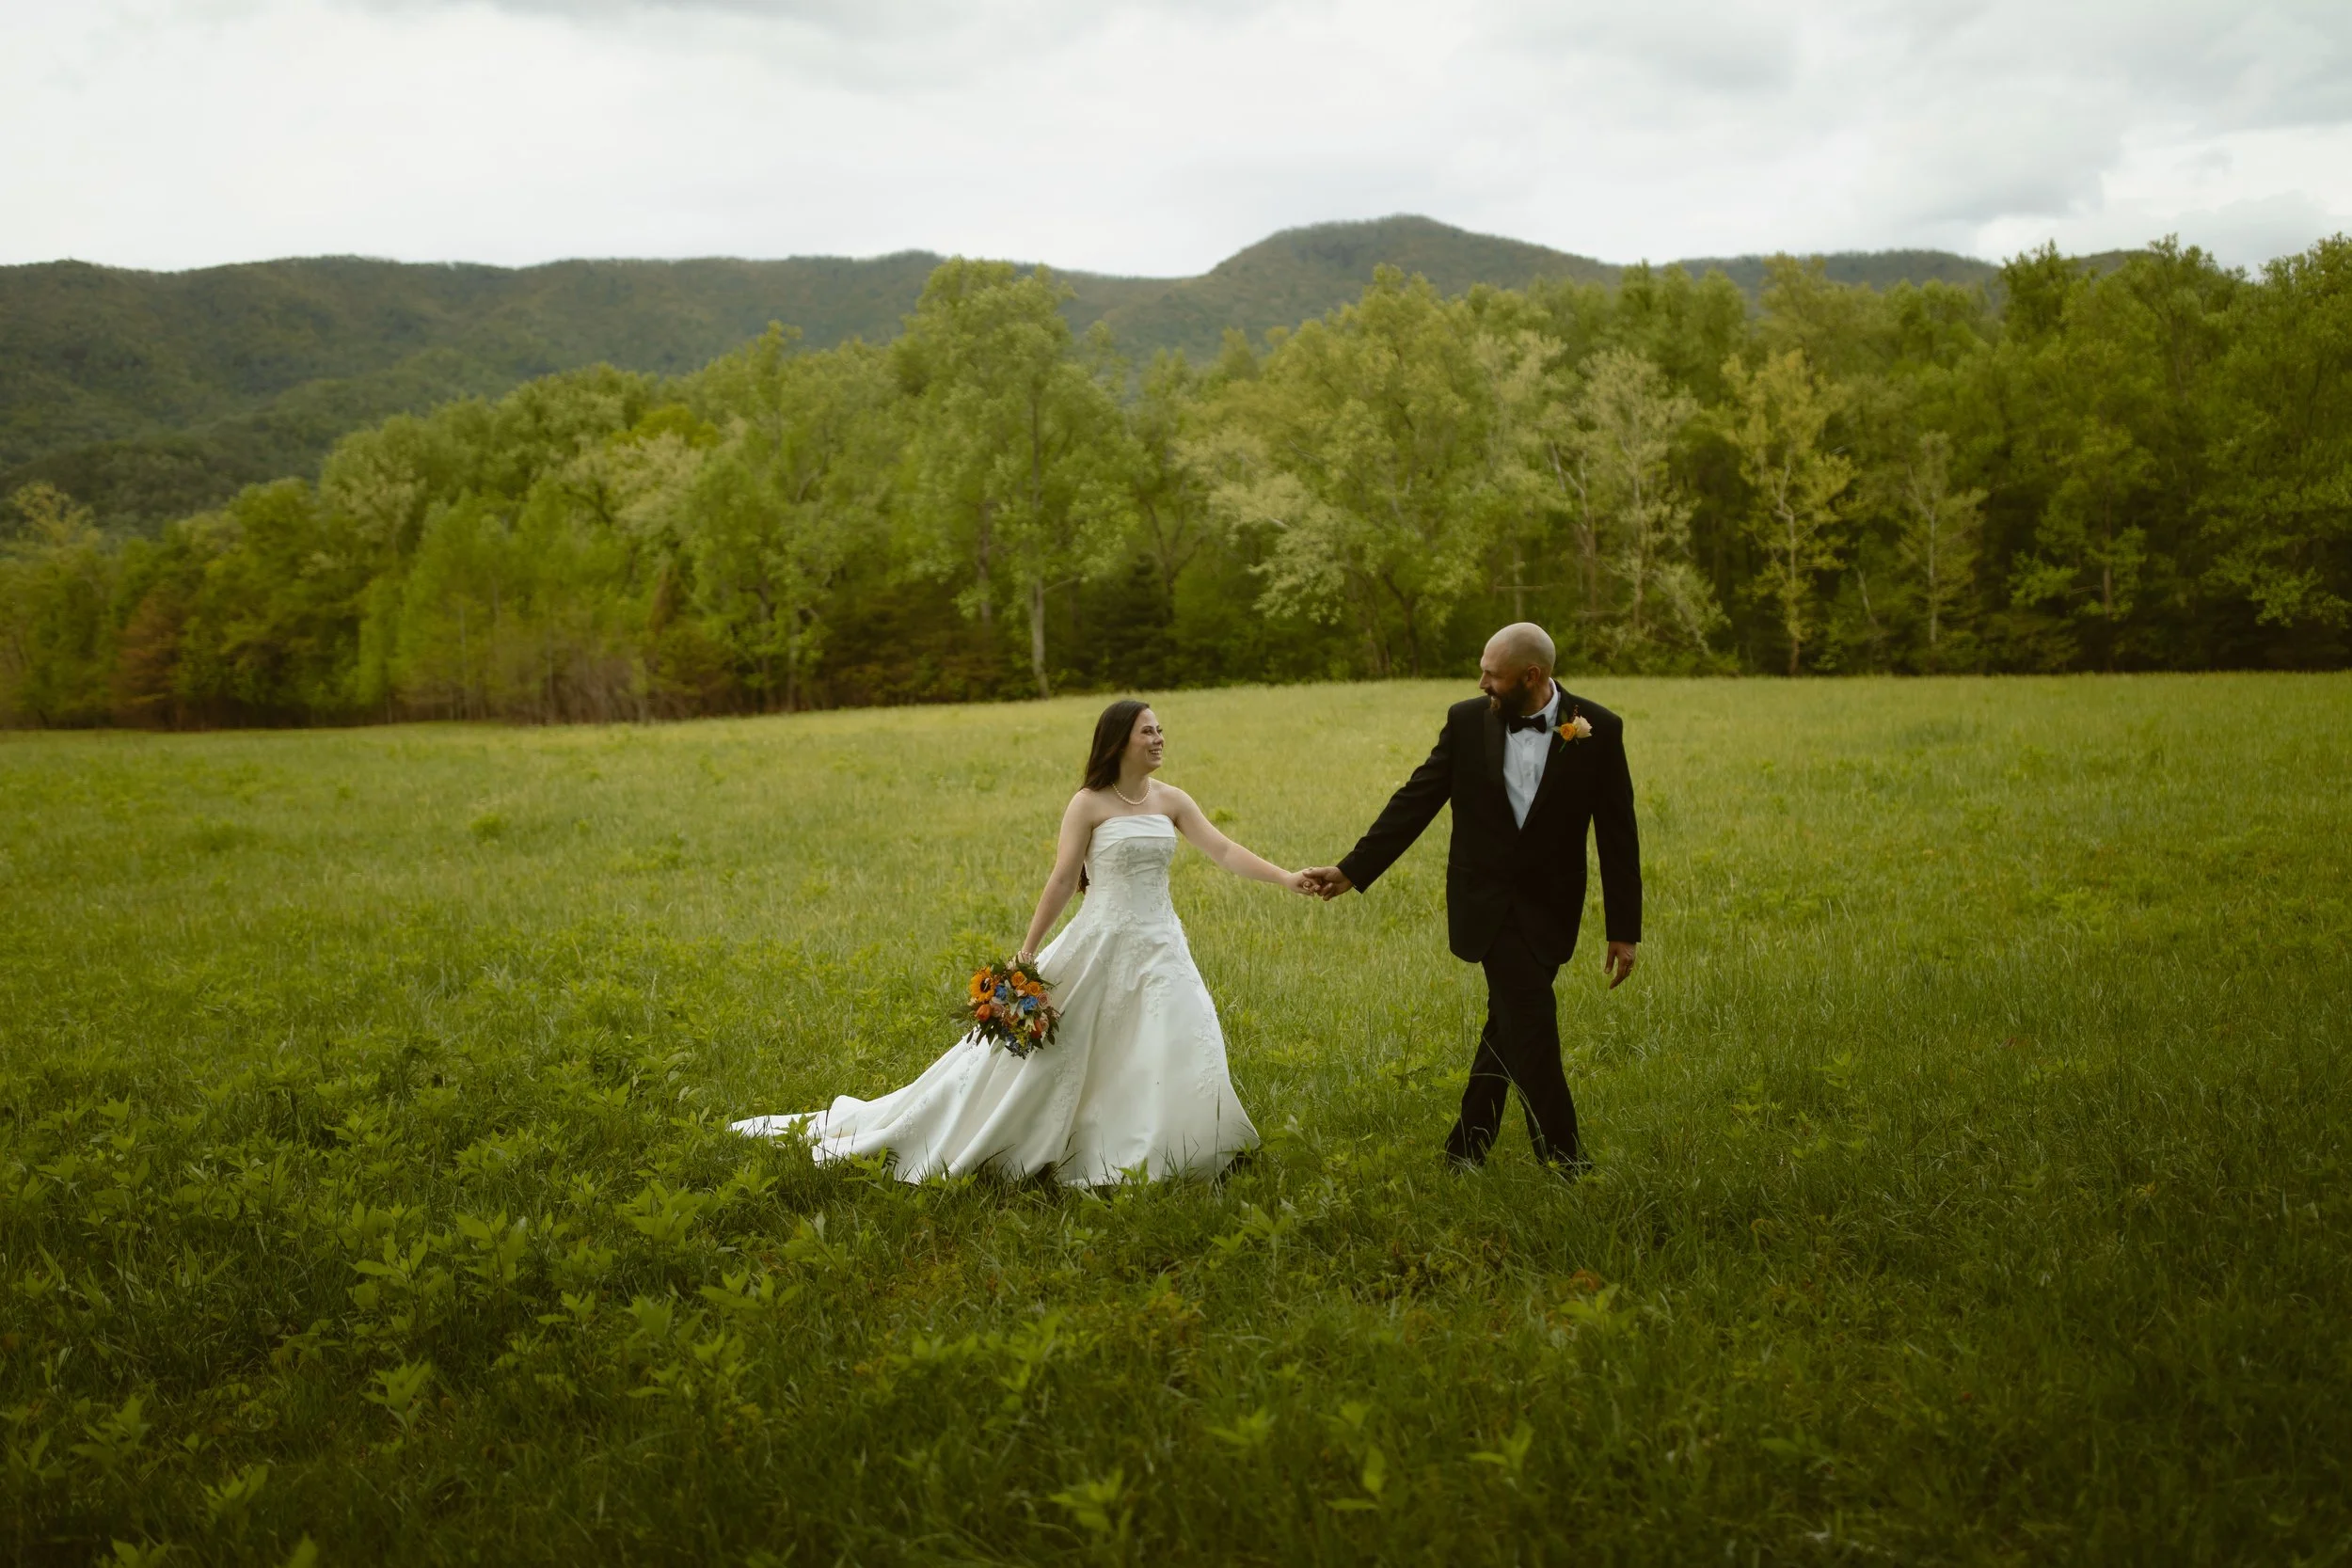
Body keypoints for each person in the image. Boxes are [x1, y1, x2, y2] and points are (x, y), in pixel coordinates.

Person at [734, 699, 1313, 1184]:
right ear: (1119, 741)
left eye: (1161, 730)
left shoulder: (1173, 800)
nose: (1159, 739)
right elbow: (1064, 877)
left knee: (1181, 1030)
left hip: (1161, 943)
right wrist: (1028, 951)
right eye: (1147, 731)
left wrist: (1287, 877)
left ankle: (1185, 1144)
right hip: (1101, 940)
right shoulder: (1088, 804)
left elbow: (1225, 851)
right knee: (1061, 1053)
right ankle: (1060, 1141)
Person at [1303, 623, 1641, 1176]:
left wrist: (1623, 928)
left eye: (1493, 674)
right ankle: (1565, 1161)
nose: (1481, 681)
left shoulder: (1597, 728)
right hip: (1485, 902)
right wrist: (1351, 870)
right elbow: (1416, 799)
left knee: (1506, 1023)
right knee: (1531, 1020)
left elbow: (1618, 833)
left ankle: (1466, 1150)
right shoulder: (1466, 721)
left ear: (1531, 676)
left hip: (1552, 910)